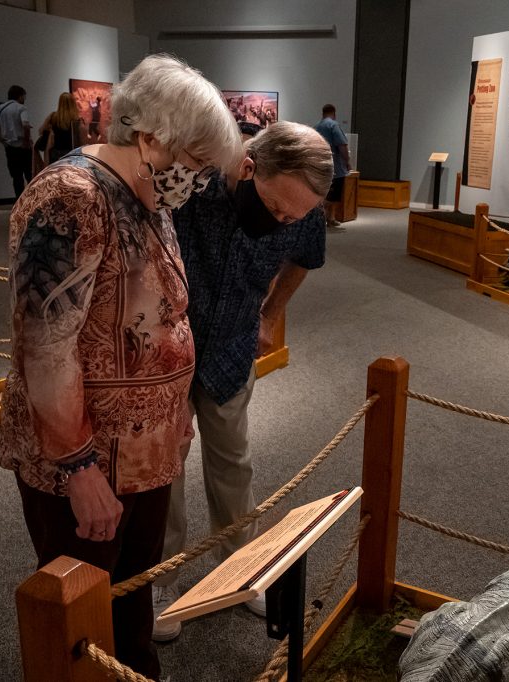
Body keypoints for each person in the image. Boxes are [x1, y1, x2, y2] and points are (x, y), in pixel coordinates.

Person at [0, 55, 242, 678]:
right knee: (84, 618)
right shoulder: (69, 199)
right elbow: (44, 347)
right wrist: (78, 467)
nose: (202, 179)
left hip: (144, 459)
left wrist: (174, 420)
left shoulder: (149, 197)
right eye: (198, 161)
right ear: (152, 136)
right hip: (86, 466)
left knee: (131, 606)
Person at [151, 120, 333, 642]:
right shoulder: (193, 183)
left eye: (293, 215)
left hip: (232, 346)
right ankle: (161, 580)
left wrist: (272, 312)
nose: (283, 221)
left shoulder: (302, 207)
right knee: (166, 467)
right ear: (249, 167)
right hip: (168, 346)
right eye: (276, 208)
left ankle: (241, 566)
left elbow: (306, 257)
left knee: (234, 459)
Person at [0, 85, 33, 198]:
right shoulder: (21, 108)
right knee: (30, 175)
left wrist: (2, 140)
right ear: (20, 96)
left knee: (16, 177)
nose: (24, 99)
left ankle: (19, 202)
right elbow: (26, 125)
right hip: (23, 146)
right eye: (24, 96)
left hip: (10, 147)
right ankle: (32, 200)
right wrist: (26, 142)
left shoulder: (1, 108)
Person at [314, 104, 352, 229]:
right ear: (334, 113)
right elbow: (342, 145)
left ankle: (330, 218)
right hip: (334, 167)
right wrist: (347, 161)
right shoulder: (333, 125)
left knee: (323, 193)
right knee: (333, 195)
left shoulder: (317, 127)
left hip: (320, 166)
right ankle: (320, 217)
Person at [37, 92, 87, 166]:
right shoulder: (78, 120)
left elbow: (41, 131)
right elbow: (83, 141)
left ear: (60, 103)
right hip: (72, 155)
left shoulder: (52, 116)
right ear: (73, 103)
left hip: (55, 155)